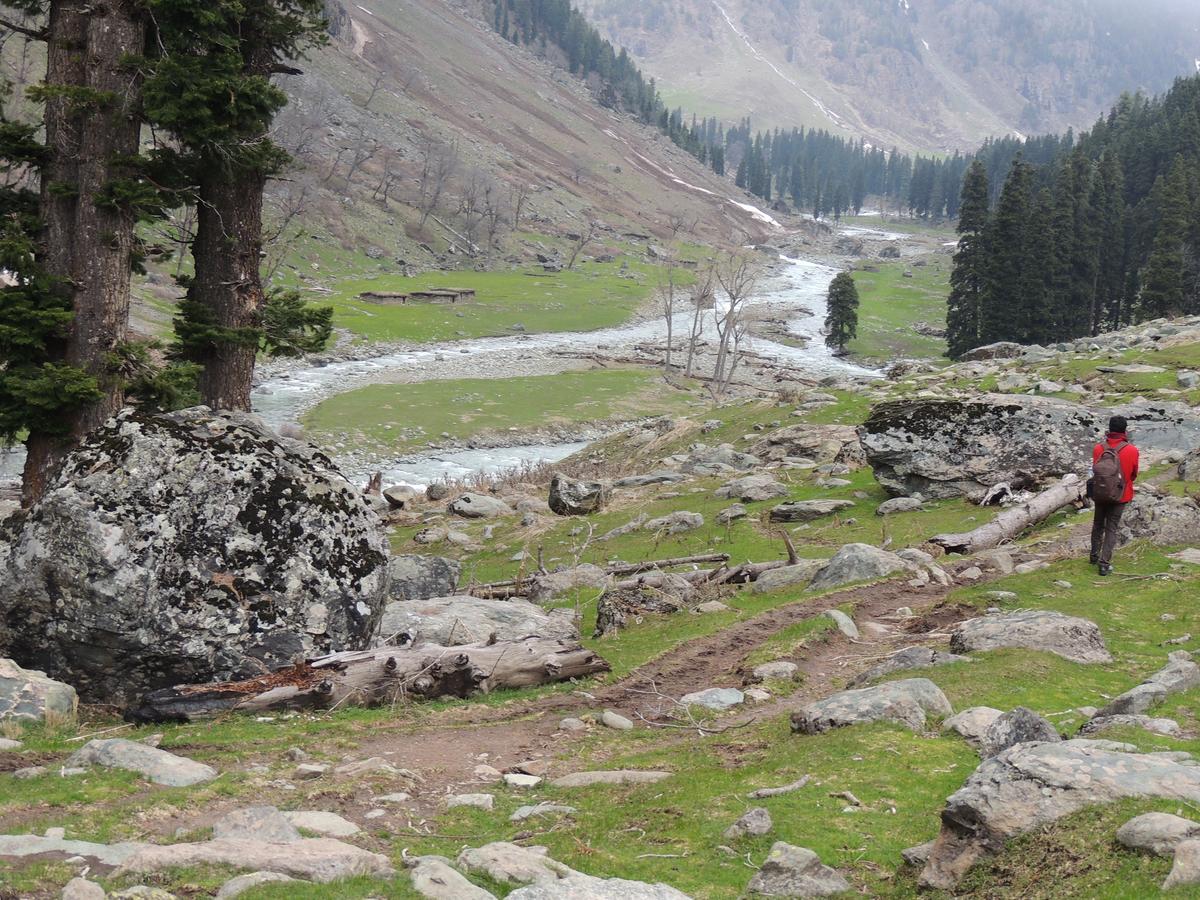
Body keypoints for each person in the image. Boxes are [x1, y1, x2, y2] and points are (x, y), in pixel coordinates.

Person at [1090, 415, 1139, 576]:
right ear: (1125, 430)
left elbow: (1096, 471)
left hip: (1100, 493)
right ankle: (1104, 564)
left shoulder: (1098, 448)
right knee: (1111, 527)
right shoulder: (1131, 450)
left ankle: (1093, 555)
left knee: (1098, 524)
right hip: (1121, 495)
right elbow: (1133, 474)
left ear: (1109, 429)